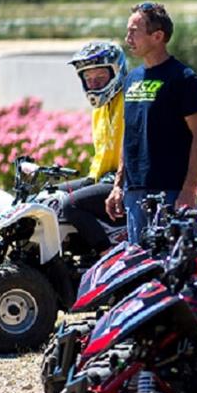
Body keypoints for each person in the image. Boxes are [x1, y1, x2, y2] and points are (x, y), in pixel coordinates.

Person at [105, 1, 197, 244]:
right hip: (135, 192)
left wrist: (189, 190)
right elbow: (129, 136)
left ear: (157, 36)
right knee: (141, 269)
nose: (127, 37)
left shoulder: (184, 79)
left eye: (134, 31)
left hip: (171, 192)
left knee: (175, 269)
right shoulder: (131, 79)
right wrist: (118, 185)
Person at [59, 40, 128, 253]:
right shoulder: (99, 108)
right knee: (49, 196)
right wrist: (90, 180)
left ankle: (105, 256)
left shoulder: (128, 99)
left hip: (125, 180)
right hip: (103, 177)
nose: (94, 84)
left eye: (100, 77)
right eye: (88, 79)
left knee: (70, 205)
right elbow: (103, 154)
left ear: (116, 72)